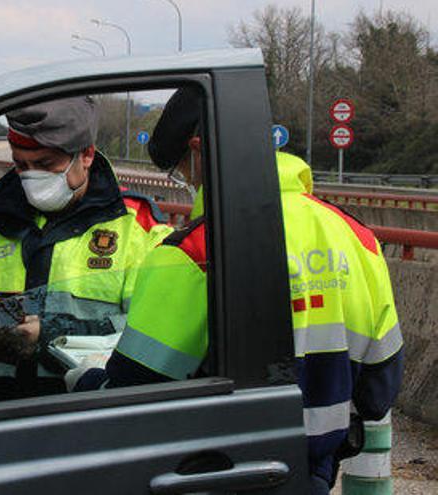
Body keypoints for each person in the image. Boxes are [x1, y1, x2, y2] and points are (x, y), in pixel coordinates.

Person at [70, 87, 404, 494]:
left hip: (219, 474)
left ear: (197, 149)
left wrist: (83, 380)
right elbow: (379, 387)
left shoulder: (194, 250)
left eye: (181, 170)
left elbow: (132, 395)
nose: (188, 183)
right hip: (312, 474)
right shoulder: (356, 236)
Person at [0, 96, 172, 375]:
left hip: (83, 404)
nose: (32, 178)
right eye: (21, 165)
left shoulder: (138, 229)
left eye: (46, 164)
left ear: (86, 155)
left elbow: (151, 332)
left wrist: (52, 332)